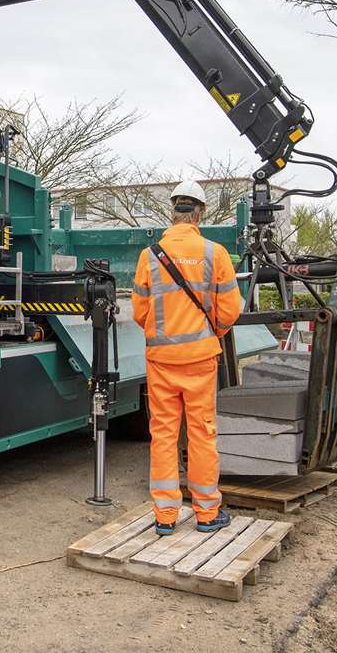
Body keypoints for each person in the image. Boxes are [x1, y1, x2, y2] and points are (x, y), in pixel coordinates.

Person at [131, 181, 242, 535]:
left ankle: (165, 516)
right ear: (200, 213)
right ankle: (207, 513)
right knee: (202, 433)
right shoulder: (215, 254)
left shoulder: (149, 256)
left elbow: (139, 310)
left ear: (172, 212)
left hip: (162, 359)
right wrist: (212, 333)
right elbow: (230, 310)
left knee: (163, 434)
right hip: (200, 359)